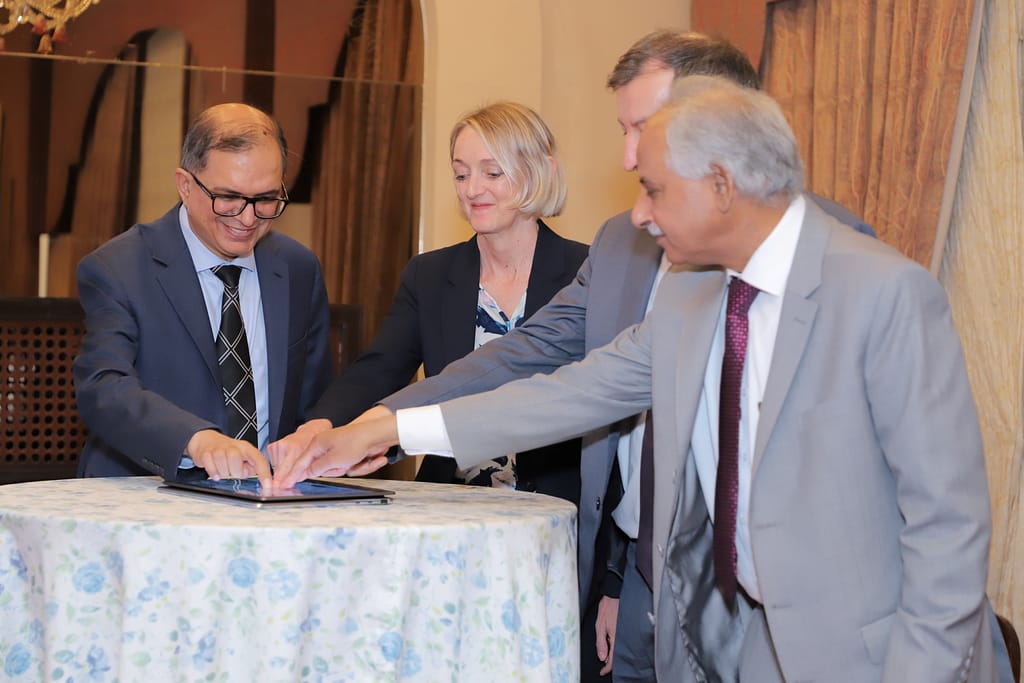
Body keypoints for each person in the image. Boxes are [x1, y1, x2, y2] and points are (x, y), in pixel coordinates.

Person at [274, 76, 1003, 682]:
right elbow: (568, 393)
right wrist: (390, 427)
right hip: (735, 648)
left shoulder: (882, 292)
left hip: (870, 660)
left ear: (721, 185)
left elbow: (948, 527)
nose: (637, 213)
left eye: (653, 188)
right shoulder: (691, 294)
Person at [270, 101, 586, 502]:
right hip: (450, 500)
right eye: (460, 173)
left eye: (492, 172)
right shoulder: (430, 274)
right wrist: (322, 425)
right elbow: (379, 370)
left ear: (541, 172)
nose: (472, 189)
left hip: (558, 501)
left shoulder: (586, 271)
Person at [74, 102, 331, 492]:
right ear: (185, 184)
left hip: (267, 502)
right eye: (228, 198)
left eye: (265, 199)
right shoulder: (118, 267)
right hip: (146, 497)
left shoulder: (297, 267)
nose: (247, 219)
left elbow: (313, 397)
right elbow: (104, 387)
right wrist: (196, 441)